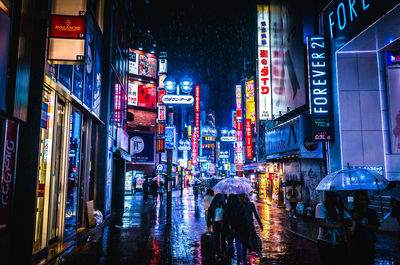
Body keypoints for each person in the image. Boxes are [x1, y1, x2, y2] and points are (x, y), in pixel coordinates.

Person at [315, 191, 351, 265]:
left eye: (338, 196)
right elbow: (320, 223)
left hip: (340, 241)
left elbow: (350, 219)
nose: (337, 198)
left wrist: (351, 226)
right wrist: (337, 226)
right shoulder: (321, 206)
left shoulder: (341, 207)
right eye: (334, 196)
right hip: (325, 241)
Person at [348, 191, 380, 265]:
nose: (361, 202)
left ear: (367, 200)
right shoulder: (352, 212)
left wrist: (360, 223)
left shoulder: (372, 213)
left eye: (363, 199)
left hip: (368, 244)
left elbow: (375, 227)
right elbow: (349, 230)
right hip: (355, 244)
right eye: (359, 199)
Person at [238, 193, 263, 265]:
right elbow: (255, 214)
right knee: (250, 239)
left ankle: (244, 256)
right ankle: (250, 252)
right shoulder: (251, 204)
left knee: (244, 240)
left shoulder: (240, 205)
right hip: (250, 225)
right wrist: (260, 224)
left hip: (242, 225)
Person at [224, 194, 244, 264]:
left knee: (230, 243)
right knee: (239, 245)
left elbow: (225, 218)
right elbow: (243, 218)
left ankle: (230, 258)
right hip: (238, 229)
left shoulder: (227, 207)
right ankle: (239, 260)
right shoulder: (240, 206)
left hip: (230, 228)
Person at [207, 193, 227, 261]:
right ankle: (223, 252)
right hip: (223, 223)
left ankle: (218, 253)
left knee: (217, 238)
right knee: (223, 238)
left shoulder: (213, 204)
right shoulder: (224, 204)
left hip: (216, 223)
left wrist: (209, 223)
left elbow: (210, 212)